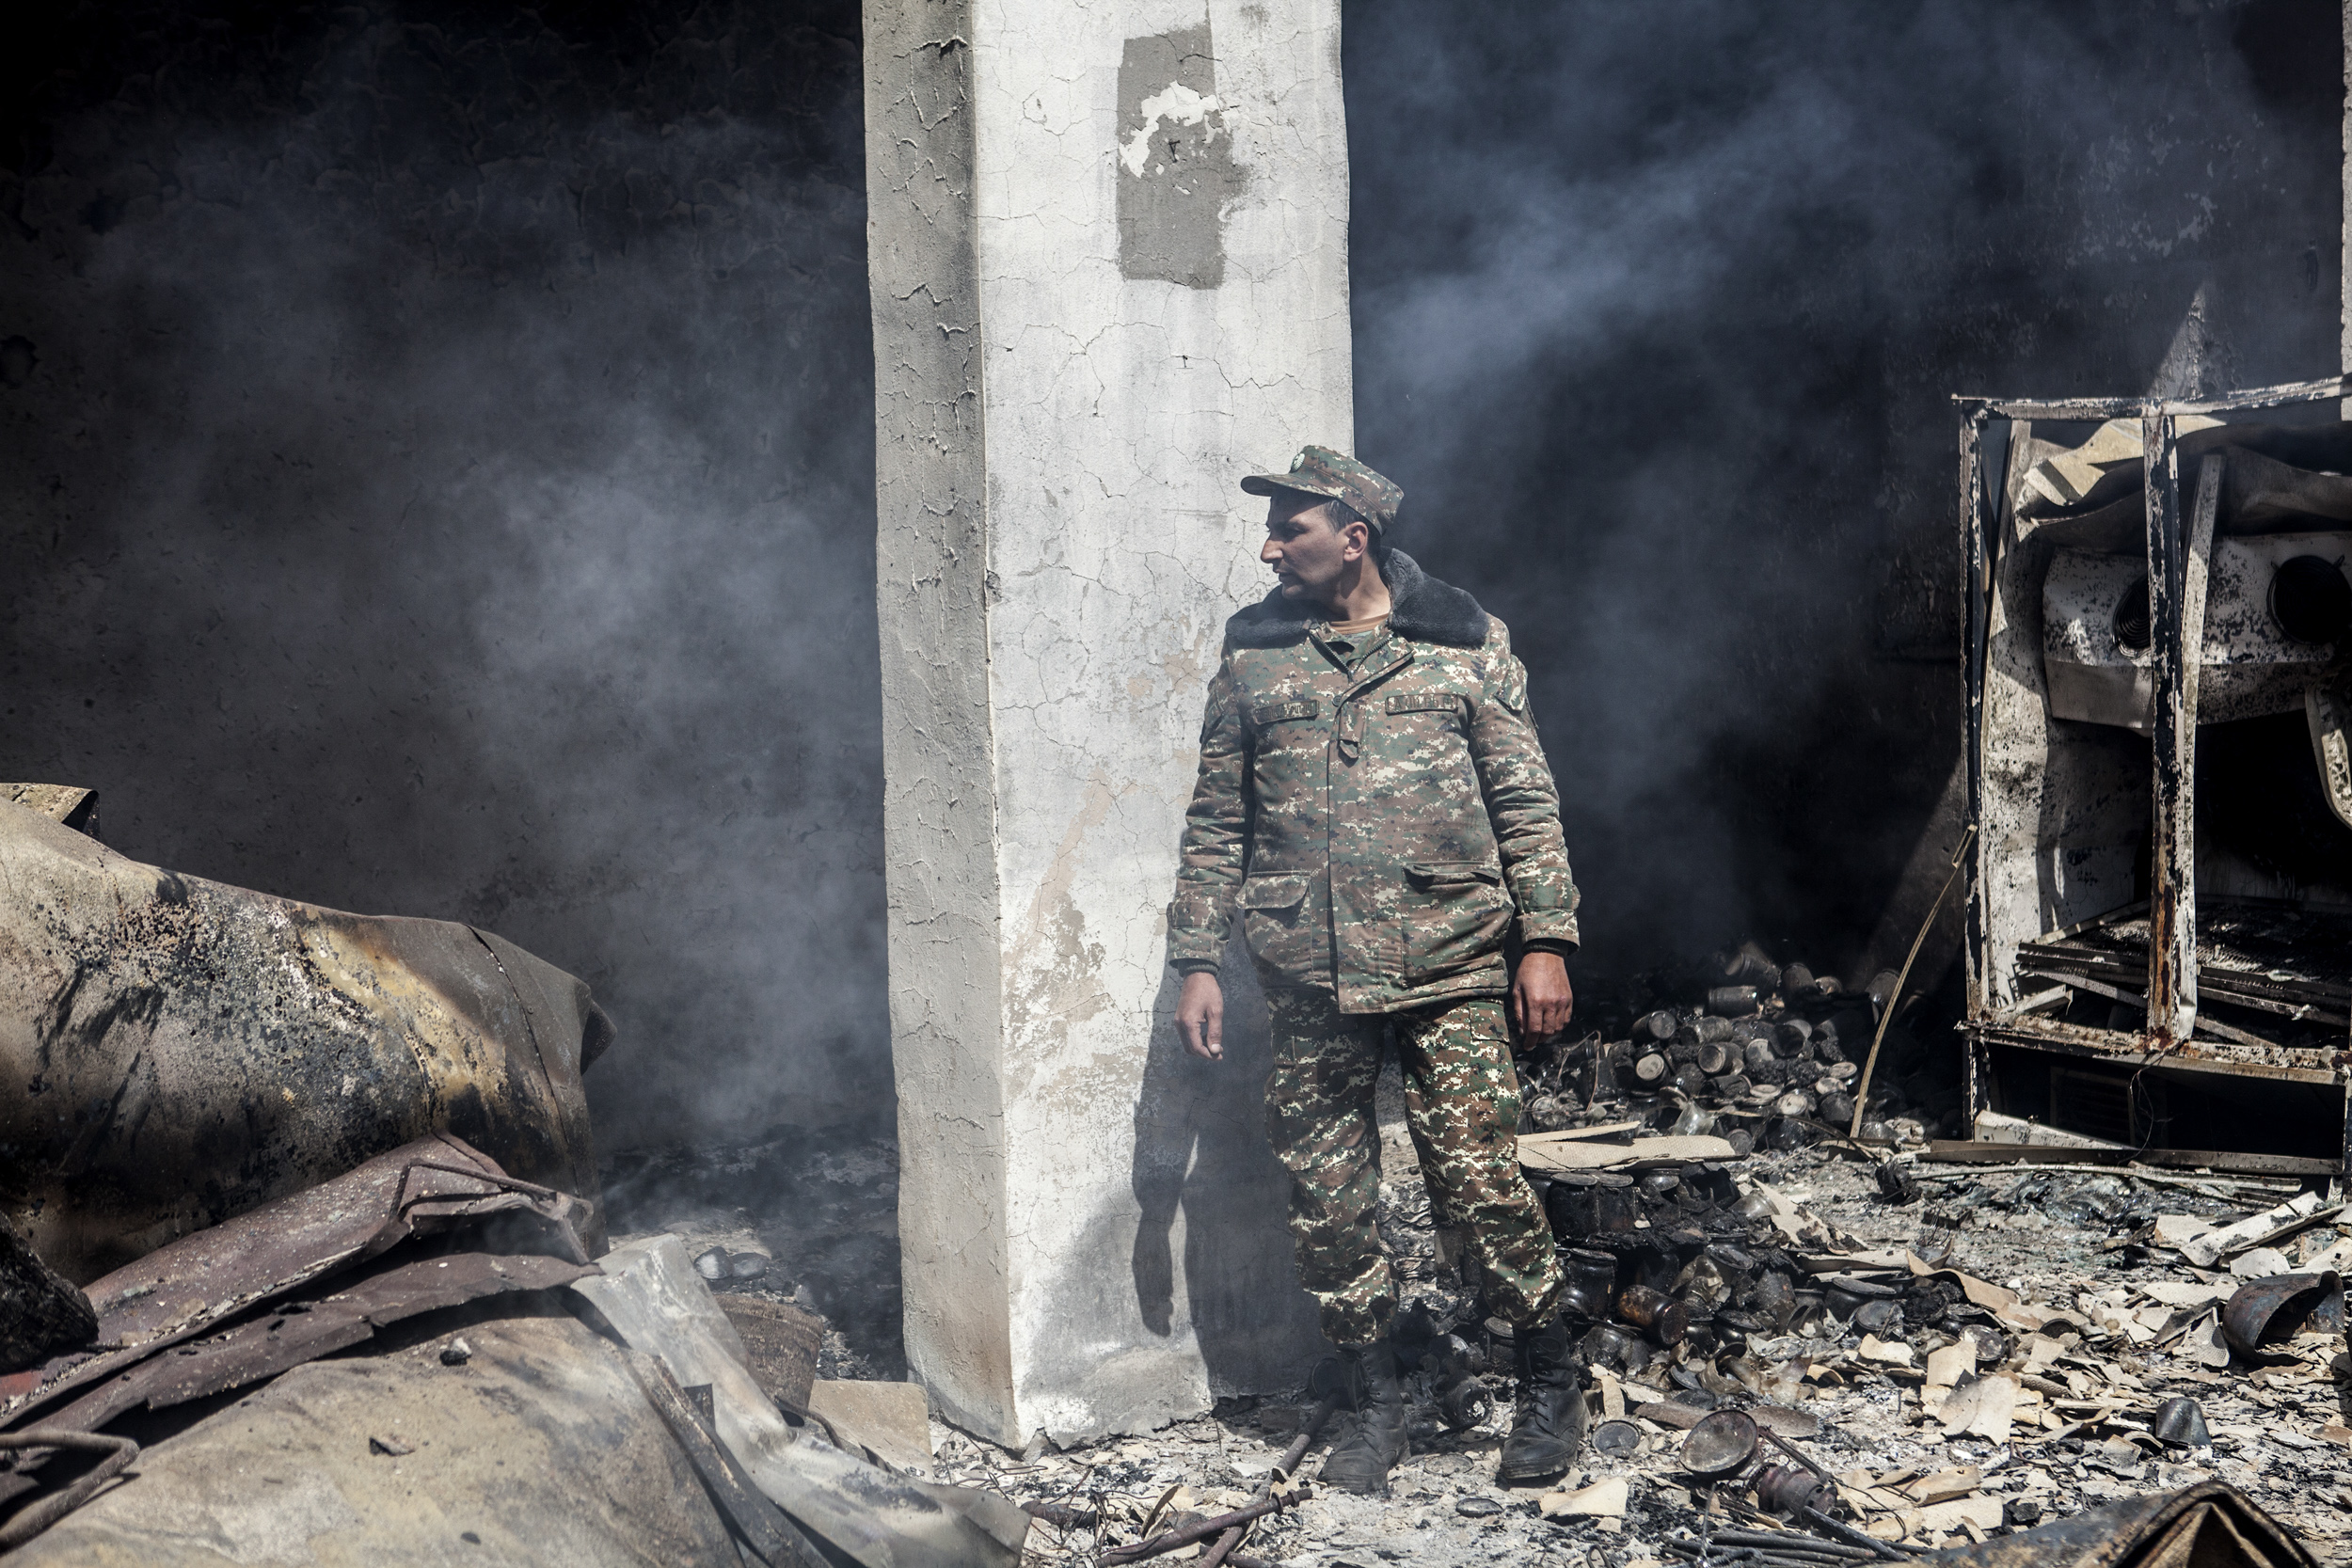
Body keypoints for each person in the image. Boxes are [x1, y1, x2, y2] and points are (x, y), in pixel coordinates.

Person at [1165, 445, 1586, 1494]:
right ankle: (1374, 1397)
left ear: (1354, 536)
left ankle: (1548, 1374)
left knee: (1477, 1179)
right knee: (1327, 1194)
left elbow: (1524, 802)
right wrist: (1195, 958)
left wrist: (1546, 938)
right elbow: (1217, 818)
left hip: (1449, 957)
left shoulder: (1464, 644)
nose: (1268, 548)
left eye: (1290, 529)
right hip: (1307, 964)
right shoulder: (1256, 651)